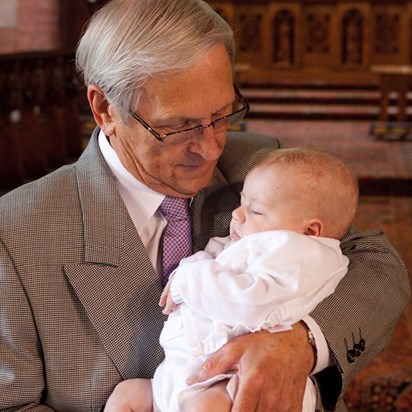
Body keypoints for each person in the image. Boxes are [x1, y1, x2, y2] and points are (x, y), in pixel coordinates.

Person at [0, 0, 409, 411]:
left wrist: (303, 342)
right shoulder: (17, 234)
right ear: (105, 109)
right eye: (178, 127)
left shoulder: (266, 170)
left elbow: (377, 266)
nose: (211, 148)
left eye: (221, 115)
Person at [105, 147, 358, 412]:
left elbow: (251, 303)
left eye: (256, 210)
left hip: (235, 377)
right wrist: (185, 273)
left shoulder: (304, 254)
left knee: (205, 407)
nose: (237, 214)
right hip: (182, 373)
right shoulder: (249, 240)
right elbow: (208, 258)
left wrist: (188, 281)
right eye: (242, 201)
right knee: (129, 394)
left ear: (309, 230)